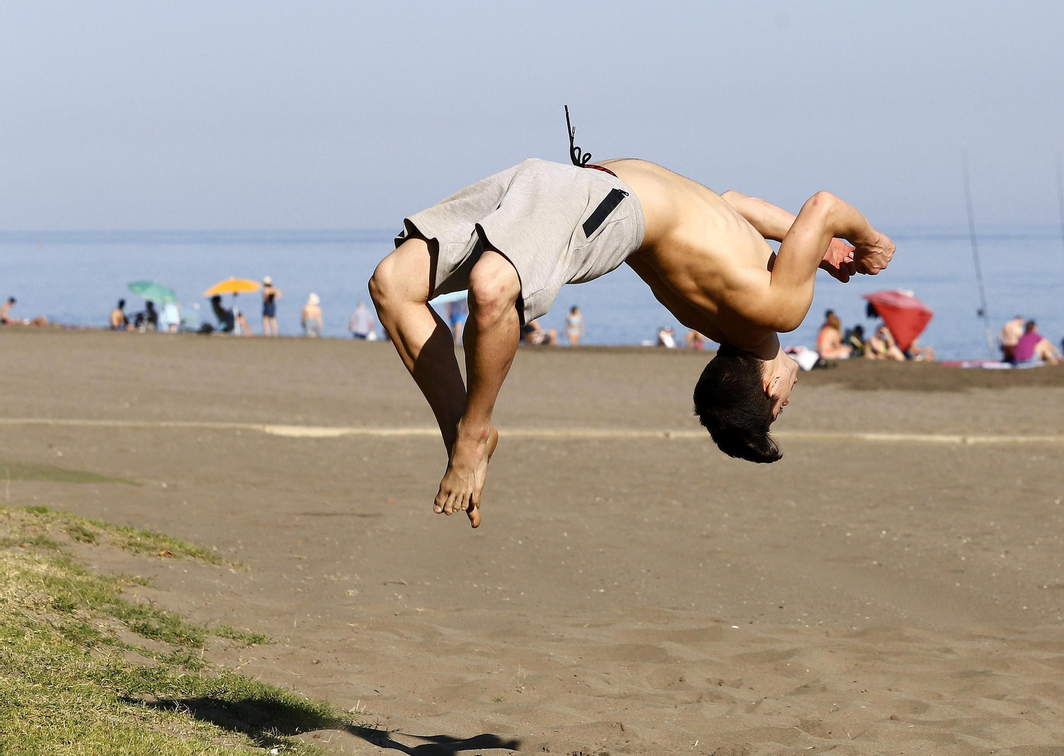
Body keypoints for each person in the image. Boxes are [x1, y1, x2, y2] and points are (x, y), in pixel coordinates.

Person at [368, 152, 892, 528]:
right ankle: (466, 431)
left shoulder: (763, 308)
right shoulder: (755, 304)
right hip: (563, 186)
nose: (788, 399)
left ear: (767, 391)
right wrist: (833, 247)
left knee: (491, 289)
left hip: (595, 197)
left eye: (780, 410)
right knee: (392, 285)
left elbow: (814, 208)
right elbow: (745, 205)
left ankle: (471, 433)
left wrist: (858, 241)